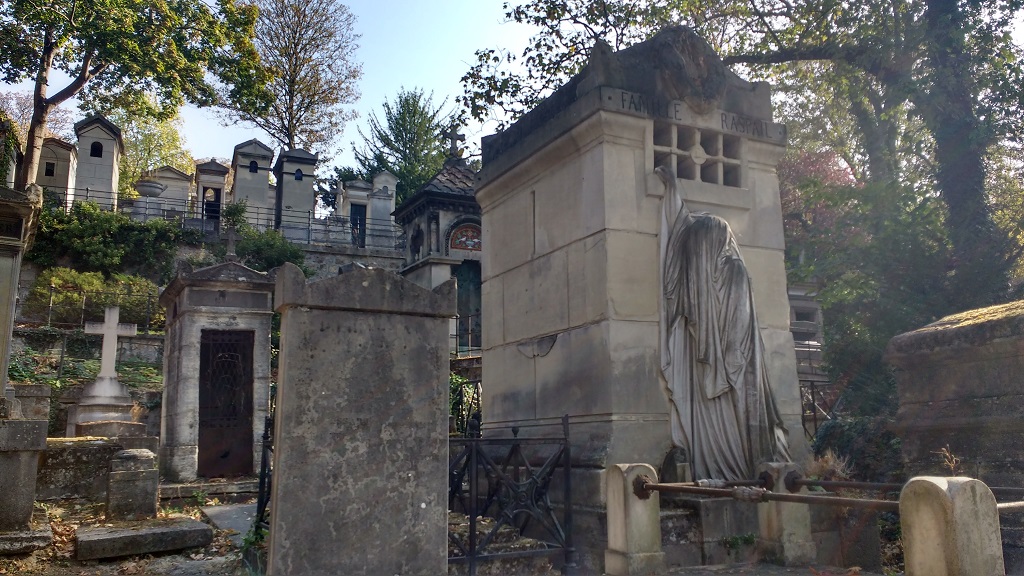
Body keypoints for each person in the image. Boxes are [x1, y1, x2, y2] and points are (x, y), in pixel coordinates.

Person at [656, 165, 790, 481]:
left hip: (730, 378)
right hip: (735, 375)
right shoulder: (733, 269)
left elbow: (680, 235)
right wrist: (673, 191)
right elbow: (739, 343)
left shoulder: (721, 276)